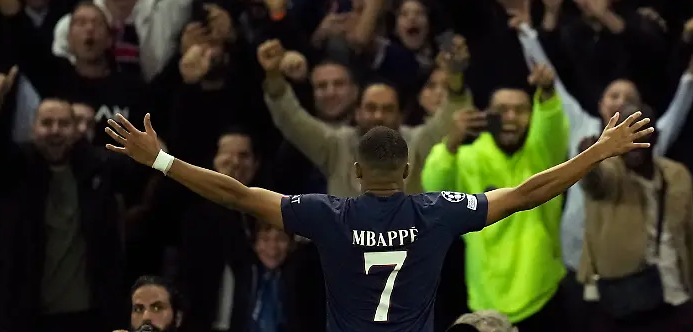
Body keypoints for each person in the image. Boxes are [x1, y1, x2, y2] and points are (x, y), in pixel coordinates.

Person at [104, 110, 653, 331]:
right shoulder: (438, 211)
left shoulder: (327, 214)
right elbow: (530, 192)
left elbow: (237, 193)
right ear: (409, 170)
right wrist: (598, 151)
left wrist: (160, 159)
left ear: (359, 172)